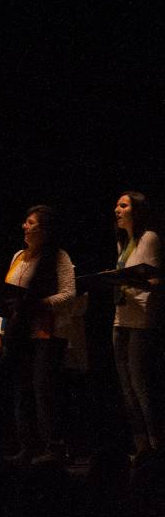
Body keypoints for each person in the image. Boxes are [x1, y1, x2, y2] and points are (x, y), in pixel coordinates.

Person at [0, 205, 76, 464]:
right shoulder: (18, 256)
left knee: (43, 390)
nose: (24, 227)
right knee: (21, 390)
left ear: (44, 229)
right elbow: (8, 299)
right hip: (18, 333)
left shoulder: (58, 256)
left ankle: (54, 447)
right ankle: (27, 446)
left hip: (45, 333)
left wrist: (39, 304)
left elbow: (69, 293)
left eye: (30, 223)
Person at [111, 191, 162, 454]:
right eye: (116, 206)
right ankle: (141, 447)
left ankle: (156, 445)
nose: (117, 210)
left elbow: (155, 280)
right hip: (120, 317)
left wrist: (130, 279)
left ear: (137, 210)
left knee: (141, 385)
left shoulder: (148, 238)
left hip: (141, 319)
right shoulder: (124, 242)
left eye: (123, 205)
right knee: (126, 387)